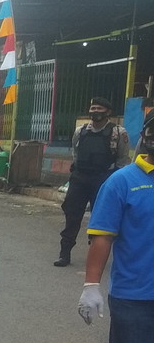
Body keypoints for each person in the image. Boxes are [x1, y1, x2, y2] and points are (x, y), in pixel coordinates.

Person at [77, 112, 154, 343]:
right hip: (136, 295)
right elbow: (103, 237)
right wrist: (91, 285)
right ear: (146, 137)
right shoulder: (122, 182)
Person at [54, 97, 131, 267]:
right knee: (72, 215)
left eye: (99, 108)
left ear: (108, 112)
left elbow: (122, 160)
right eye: (93, 108)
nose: (95, 111)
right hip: (80, 178)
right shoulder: (80, 131)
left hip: (104, 180)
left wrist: (115, 182)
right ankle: (64, 254)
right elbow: (76, 153)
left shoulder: (118, 133)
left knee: (100, 219)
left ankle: (95, 256)